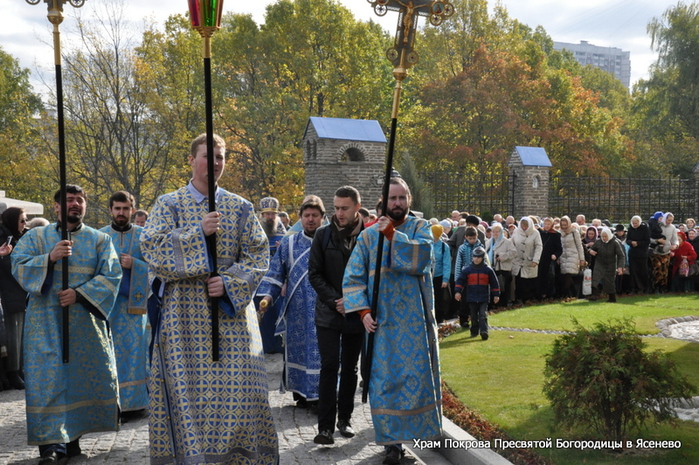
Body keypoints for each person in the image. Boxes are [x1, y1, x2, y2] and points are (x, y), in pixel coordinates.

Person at [140, 133, 278, 464]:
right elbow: (152, 249)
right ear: (191, 160)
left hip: (231, 319)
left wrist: (230, 283)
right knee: (189, 397)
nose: (215, 163)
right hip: (182, 322)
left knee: (244, 395)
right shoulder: (168, 204)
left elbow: (259, 255)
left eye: (220, 157)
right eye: (207, 156)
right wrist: (197, 233)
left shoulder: (240, 206)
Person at [12, 185, 121, 465]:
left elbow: (111, 274)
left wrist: (80, 294)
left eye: (79, 200)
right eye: (69, 200)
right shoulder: (36, 237)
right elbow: (18, 264)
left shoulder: (99, 240)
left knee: (76, 381)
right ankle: (50, 447)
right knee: (47, 383)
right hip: (44, 323)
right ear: (57, 207)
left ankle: (73, 443)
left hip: (83, 324)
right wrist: (49, 258)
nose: (75, 204)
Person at [343, 178, 441, 465]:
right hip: (382, 324)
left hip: (415, 324)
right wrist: (363, 312)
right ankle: (392, 445)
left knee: (414, 381)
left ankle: (410, 437)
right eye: (392, 199)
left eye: (401, 198)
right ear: (384, 202)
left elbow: (420, 259)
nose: (397, 203)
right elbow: (352, 277)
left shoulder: (421, 229)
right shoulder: (368, 236)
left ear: (409, 199)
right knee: (385, 383)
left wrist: (392, 236)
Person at [309, 186, 365, 445]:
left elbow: (373, 275)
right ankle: (325, 428)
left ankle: (345, 419)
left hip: (356, 314)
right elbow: (315, 274)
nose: (339, 213)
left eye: (344, 208)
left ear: (356, 207)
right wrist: (334, 300)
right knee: (329, 366)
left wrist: (353, 302)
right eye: (336, 208)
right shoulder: (323, 235)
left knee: (351, 368)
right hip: (328, 313)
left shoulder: (368, 235)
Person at [257, 196, 324, 409]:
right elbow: (277, 272)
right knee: (298, 350)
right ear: (300, 218)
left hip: (325, 308)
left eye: (315, 215)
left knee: (320, 353)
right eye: (307, 216)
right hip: (297, 309)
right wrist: (268, 296)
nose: (310, 219)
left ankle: (320, 396)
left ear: (322, 217)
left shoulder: (330, 241)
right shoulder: (289, 242)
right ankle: (300, 394)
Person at [99, 191, 149, 414]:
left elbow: (158, 269)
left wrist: (135, 264)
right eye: (117, 208)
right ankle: (111, 404)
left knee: (134, 353)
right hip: (107, 308)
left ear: (133, 209)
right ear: (110, 210)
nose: (121, 213)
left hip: (133, 309)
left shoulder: (145, 236)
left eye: (126, 208)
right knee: (108, 354)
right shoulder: (99, 236)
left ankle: (135, 404)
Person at [0, 207, 29, 390]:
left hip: (20, 292)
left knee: (20, 336)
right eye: (22, 221)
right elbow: (10, 267)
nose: (25, 225)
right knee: (12, 335)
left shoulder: (20, 237)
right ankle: (12, 372)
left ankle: (19, 370)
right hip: (9, 293)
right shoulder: (5, 240)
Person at [454, 246, 500, 340]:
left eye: (478, 257)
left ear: (483, 258)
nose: (476, 259)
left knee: (483, 314)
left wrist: (496, 295)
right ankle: (474, 331)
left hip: (483, 297)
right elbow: (460, 281)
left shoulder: (488, 270)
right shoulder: (467, 270)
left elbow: (494, 283)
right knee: (473, 316)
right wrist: (458, 292)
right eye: (474, 256)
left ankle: (484, 331)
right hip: (471, 297)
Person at [588, 227, 625, 302]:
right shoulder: (598, 242)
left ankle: (612, 298)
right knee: (595, 278)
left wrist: (620, 267)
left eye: (605, 236)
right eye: (602, 236)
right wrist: (590, 251)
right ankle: (594, 296)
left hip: (611, 264)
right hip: (599, 263)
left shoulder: (615, 243)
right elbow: (591, 249)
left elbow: (621, 255)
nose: (604, 238)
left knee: (609, 281)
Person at [511, 216, 542, 303]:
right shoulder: (516, 232)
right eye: (523, 226)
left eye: (526, 226)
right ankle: (518, 300)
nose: (524, 228)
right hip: (518, 261)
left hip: (529, 261)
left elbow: (539, 247)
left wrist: (536, 260)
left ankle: (528, 299)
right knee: (518, 281)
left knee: (528, 282)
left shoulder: (535, 233)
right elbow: (512, 244)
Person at [486, 223, 516, 306]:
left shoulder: (507, 242)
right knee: (493, 287)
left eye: (497, 232)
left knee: (503, 287)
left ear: (501, 232)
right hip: (492, 267)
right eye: (493, 232)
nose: (495, 234)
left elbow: (513, 253)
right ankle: (494, 304)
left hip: (503, 268)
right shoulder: (488, 242)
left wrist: (503, 256)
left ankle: (503, 304)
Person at [557, 216, 585, 298]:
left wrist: (582, 259)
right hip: (563, 256)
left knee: (568, 274)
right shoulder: (559, 233)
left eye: (565, 225)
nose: (564, 227)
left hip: (573, 255)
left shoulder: (574, 232)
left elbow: (579, 246)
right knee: (565, 275)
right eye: (562, 225)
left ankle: (566, 294)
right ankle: (573, 293)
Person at [431, 223, 451, 323]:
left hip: (439, 276)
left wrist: (445, 279)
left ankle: (439, 319)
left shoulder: (444, 247)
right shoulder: (427, 244)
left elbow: (447, 264)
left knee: (439, 299)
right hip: (428, 276)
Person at [537, 217, 562, 299]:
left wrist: (555, 255)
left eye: (548, 224)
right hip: (540, 257)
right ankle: (540, 293)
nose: (547, 226)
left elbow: (559, 248)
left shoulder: (556, 235)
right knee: (540, 275)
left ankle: (549, 293)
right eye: (545, 224)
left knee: (549, 276)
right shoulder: (540, 233)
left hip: (549, 258)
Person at [627, 215, 650, 294]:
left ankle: (643, 288)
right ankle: (634, 288)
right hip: (633, 254)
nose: (634, 225)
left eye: (636, 223)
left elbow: (647, 241)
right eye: (633, 223)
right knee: (633, 272)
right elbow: (628, 240)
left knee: (642, 271)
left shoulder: (645, 229)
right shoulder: (630, 229)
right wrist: (631, 242)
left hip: (642, 253)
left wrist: (638, 243)